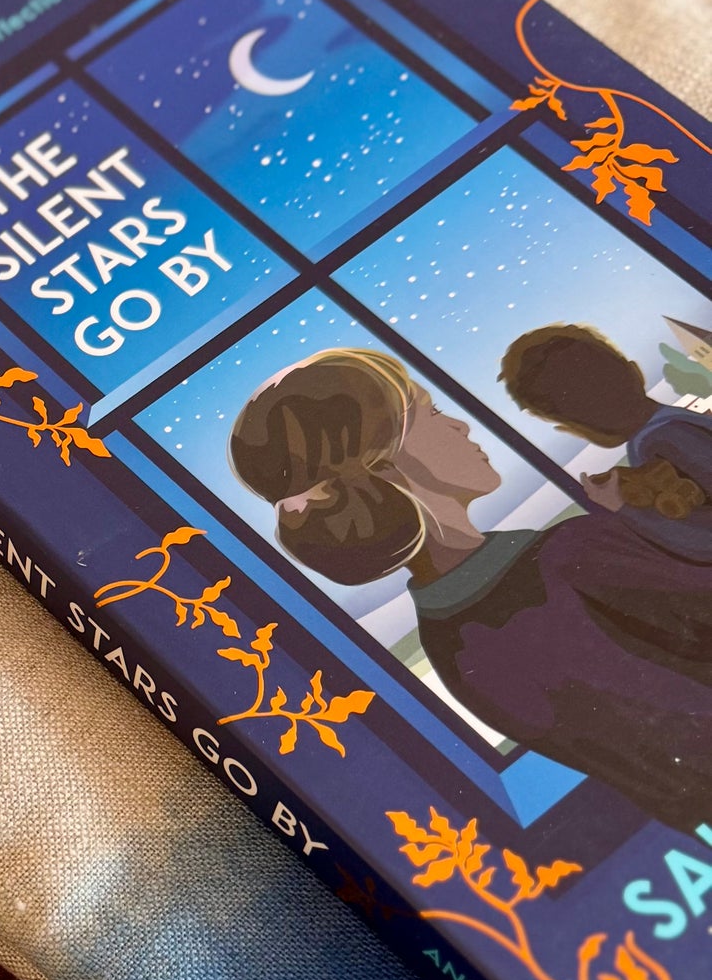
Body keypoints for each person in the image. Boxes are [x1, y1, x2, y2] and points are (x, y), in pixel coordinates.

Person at [228, 345, 712, 829]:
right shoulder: (572, 554)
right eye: (433, 413)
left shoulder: (446, 645)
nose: (460, 426)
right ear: (385, 470)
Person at [500, 320, 712, 562]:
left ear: (570, 423)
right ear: (633, 371)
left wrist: (620, 507)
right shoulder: (671, 424)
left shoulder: (661, 441)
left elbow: (703, 542)